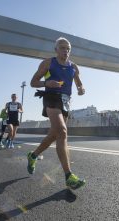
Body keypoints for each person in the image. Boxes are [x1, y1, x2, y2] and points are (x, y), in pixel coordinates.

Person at [27, 37, 86, 189]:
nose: (65, 51)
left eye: (68, 49)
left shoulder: (74, 67)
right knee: (63, 132)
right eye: (62, 48)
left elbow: (79, 83)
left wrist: (81, 89)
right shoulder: (48, 63)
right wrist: (47, 83)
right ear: (56, 49)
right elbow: (33, 82)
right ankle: (69, 176)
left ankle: (33, 156)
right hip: (51, 98)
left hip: (65, 102)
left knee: (55, 134)